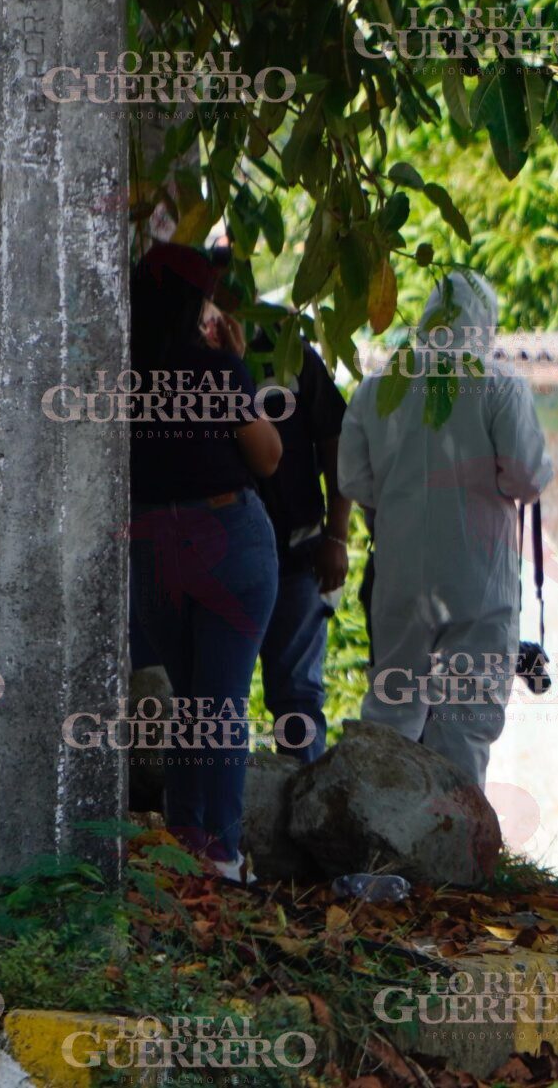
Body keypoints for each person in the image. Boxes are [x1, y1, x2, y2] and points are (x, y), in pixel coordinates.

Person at [339, 269, 551, 787]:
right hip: (478, 581)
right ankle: (454, 855)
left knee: (391, 712)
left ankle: (378, 842)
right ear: (487, 322)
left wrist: (402, 502)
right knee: (466, 723)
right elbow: (526, 476)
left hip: (399, 577)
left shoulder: (376, 386)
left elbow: (354, 479)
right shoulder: (498, 383)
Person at [126, 243, 283, 879]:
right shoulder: (216, 370)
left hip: (152, 542)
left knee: (191, 699)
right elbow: (267, 456)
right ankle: (222, 852)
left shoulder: (120, 371)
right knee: (220, 705)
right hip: (226, 538)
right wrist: (236, 368)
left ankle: (184, 841)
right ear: (194, 304)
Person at [206, 249, 350, 762]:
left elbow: (336, 437)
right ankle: (229, 826)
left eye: (233, 290)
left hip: (296, 551)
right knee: (218, 702)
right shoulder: (189, 359)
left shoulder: (289, 351)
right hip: (221, 557)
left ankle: (304, 814)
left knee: (297, 700)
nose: (225, 302)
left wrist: (337, 534)